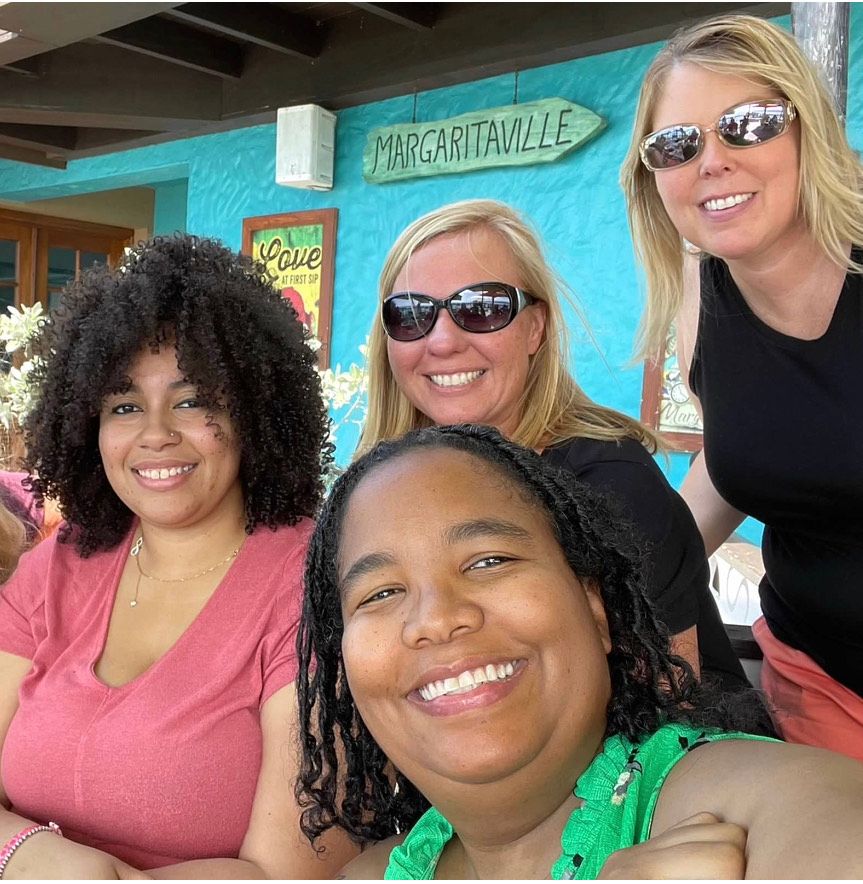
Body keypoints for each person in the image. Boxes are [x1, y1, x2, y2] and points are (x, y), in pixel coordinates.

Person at [296, 424, 863, 880]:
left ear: (595, 611)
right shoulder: (372, 874)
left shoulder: (735, 808)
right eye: (381, 592)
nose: (438, 619)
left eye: (489, 561)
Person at [0, 235, 355, 878]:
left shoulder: (314, 584)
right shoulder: (56, 567)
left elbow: (290, 873)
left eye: (193, 401)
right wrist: (31, 852)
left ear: (254, 413)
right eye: (125, 406)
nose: (156, 433)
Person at [359, 198, 752, 696]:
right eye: (412, 314)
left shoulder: (610, 484)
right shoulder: (384, 497)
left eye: (482, 308)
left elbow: (668, 708)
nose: (441, 342)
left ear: (535, 328)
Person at [620, 13, 863, 759]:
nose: (710, 162)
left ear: (806, 130)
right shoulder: (701, 292)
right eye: (676, 144)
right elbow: (744, 457)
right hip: (819, 682)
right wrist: (624, 586)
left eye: (746, 125)